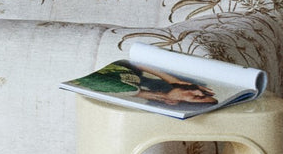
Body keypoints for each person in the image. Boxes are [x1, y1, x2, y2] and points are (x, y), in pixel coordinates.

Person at [74, 61, 218, 107]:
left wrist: (140, 93)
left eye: (197, 97)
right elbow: (132, 60)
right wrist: (170, 79)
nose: (198, 92)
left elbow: (88, 80)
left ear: (172, 102)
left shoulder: (131, 90)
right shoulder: (137, 78)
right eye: (203, 92)